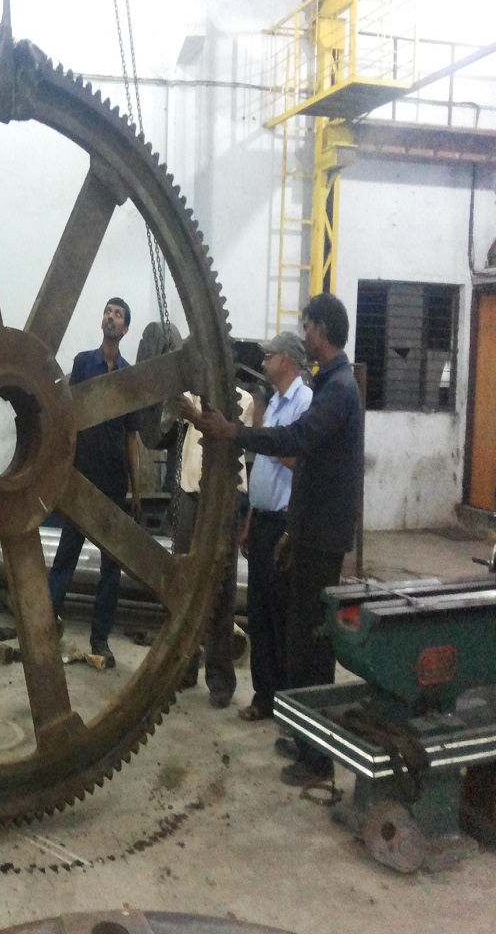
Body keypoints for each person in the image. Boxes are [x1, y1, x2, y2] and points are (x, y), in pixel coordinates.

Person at [180, 293, 363, 787]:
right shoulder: (331, 384)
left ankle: (317, 759)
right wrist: (291, 532)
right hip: (307, 532)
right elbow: (312, 469)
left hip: (321, 538)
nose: (304, 334)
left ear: (322, 330)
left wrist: (234, 432)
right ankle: (304, 738)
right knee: (298, 640)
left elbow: (294, 442)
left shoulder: (338, 390)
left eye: (307, 326)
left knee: (311, 647)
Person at [47, 298, 142, 669]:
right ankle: (44, 628)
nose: (110, 317)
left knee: (110, 568)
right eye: (107, 311)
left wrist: (136, 489)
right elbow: (68, 422)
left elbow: (131, 436)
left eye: (117, 314)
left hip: (114, 484)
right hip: (80, 480)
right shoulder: (83, 364)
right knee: (65, 560)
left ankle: (100, 639)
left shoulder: (129, 376)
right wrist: (62, 472)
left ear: (125, 328)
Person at [237, 331, 312, 723]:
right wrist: (249, 521)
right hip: (262, 520)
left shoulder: (305, 402)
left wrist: (269, 439)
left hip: (285, 524)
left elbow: (301, 460)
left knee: (282, 615)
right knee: (260, 613)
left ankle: (285, 703)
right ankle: (263, 696)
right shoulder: (276, 404)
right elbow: (263, 467)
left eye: (269, 356)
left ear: (287, 360)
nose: (264, 362)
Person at [173, 387, 253, 708]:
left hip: (223, 499)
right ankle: (185, 668)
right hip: (189, 493)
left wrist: (194, 416)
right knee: (185, 584)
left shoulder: (242, 401)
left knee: (220, 589)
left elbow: (228, 439)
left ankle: (220, 680)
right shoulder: (191, 395)